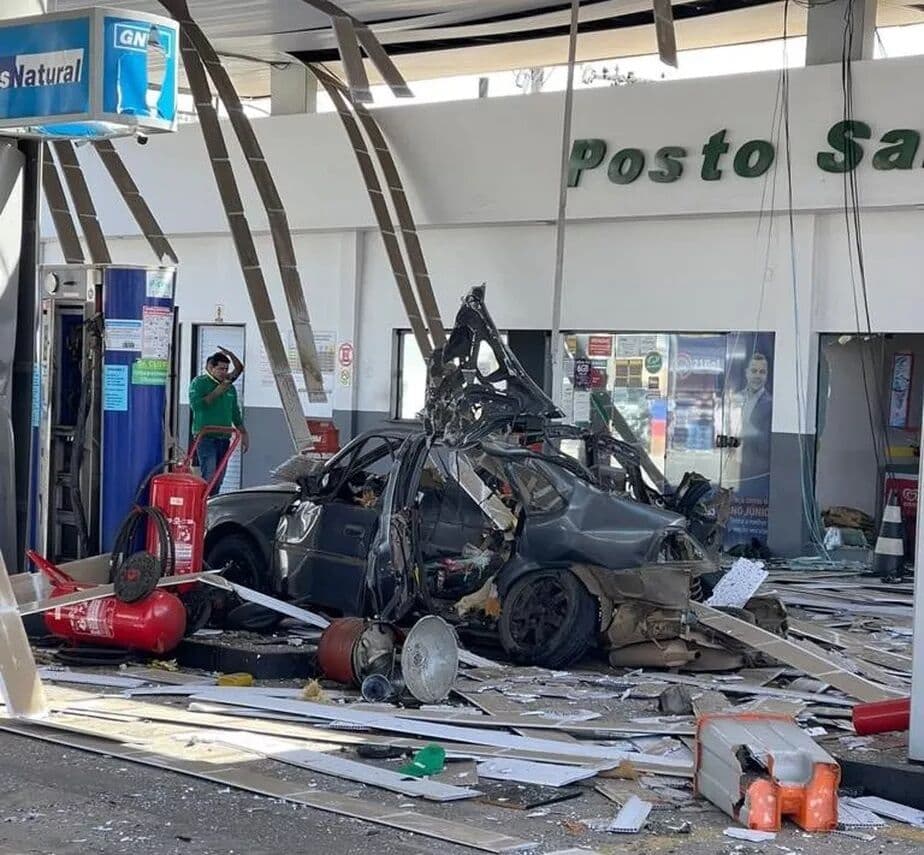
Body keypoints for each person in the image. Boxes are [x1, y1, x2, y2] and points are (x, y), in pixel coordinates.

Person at [188, 348, 249, 496]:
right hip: (206, 437)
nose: (224, 372)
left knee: (220, 477)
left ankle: (212, 503)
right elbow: (197, 406)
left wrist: (243, 433)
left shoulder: (230, 387)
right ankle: (204, 503)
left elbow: (235, 411)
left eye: (226, 369)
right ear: (210, 368)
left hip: (224, 437)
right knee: (209, 475)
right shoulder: (199, 383)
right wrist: (217, 392)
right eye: (220, 368)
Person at [729, 352, 773, 497]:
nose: (757, 376)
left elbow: (767, 442)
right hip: (735, 467)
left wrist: (749, 432)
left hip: (758, 470)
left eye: (762, 372)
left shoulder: (771, 405)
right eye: (754, 371)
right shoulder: (735, 399)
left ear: (767, 375)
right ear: (746, 373)